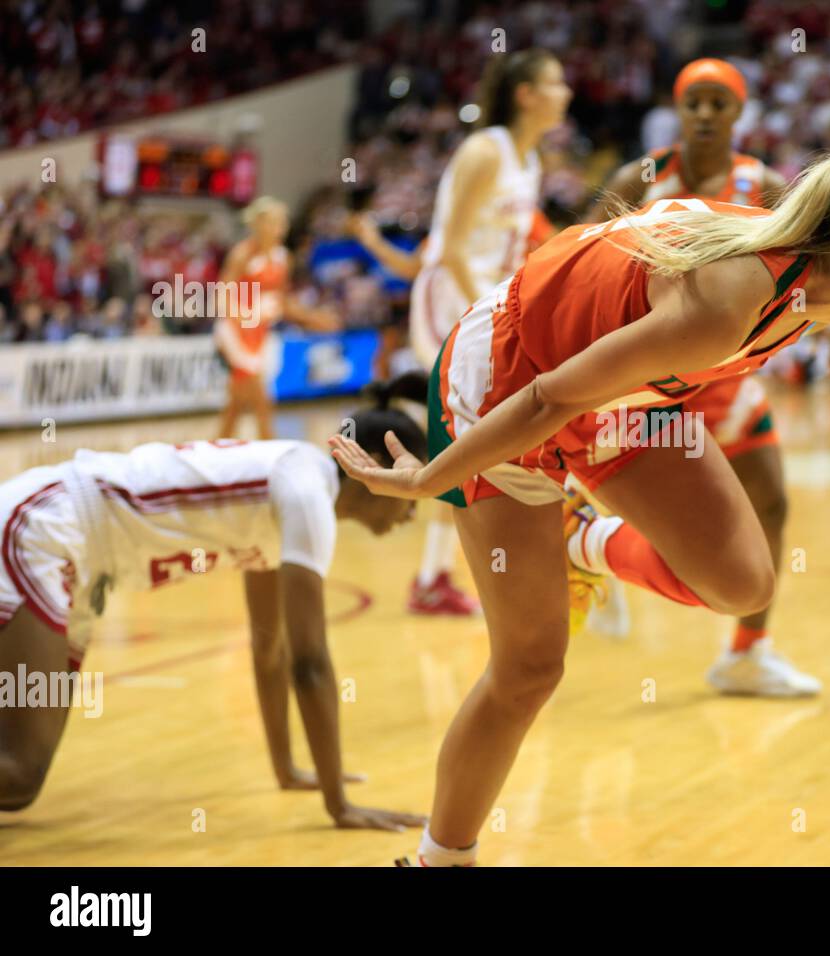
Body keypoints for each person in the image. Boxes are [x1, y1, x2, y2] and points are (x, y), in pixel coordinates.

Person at [330, 153, 830, 865]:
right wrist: (430, 482)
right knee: (530, 668)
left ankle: (578, 539)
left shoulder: (804, 286)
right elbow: (549, 399)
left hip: (615, 392)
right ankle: (439, 860)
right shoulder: (732, 300)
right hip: (511, 381)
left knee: (743, 583)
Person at [0, 382, 428, 831]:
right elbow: (310, 664)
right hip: (47, 526)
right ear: (377, 467)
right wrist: (339, 805)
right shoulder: (306, 491)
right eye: (411, 482)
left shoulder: (290, 486)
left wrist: (287, 769)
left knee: (20, 783)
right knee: (19, 769)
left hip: (78, 559)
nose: (413, 509)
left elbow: (270, 649)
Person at [582, 57, 819, 696]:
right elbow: (580, 251)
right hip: (652, 378)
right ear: (678, 110)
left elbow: (804, 267)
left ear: (739, 112)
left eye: (720, 103)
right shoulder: (644, 175)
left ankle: (747, 651)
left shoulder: (763, 183)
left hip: (729, 374)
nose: (706, 114)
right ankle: (593, 555)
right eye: (695, 103)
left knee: (770, 501)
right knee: (647, 508)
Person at [348, 48, 571, 616]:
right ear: (527, 95)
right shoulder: (483, 150)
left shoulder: (529, 160)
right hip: (452, 299)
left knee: (482, 437)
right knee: (469, 435)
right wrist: (490, 307)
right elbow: (446, 250)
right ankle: (433, 572)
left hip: (487, 301)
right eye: (555, 81)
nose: (566, 91)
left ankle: (441, 572)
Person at [214, 196, 339, 441]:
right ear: (258, 224)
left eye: (282, 223)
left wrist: (313, 318)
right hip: (236, 331)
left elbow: (283, 301)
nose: (279, 229)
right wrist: (241, 315)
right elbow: (223, 293)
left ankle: (217, 445)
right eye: (273, 222)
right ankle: (269, 445)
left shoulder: (283, 257)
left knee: (237, 401)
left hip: (261, 332)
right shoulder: (243, 254)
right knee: (261, 394)